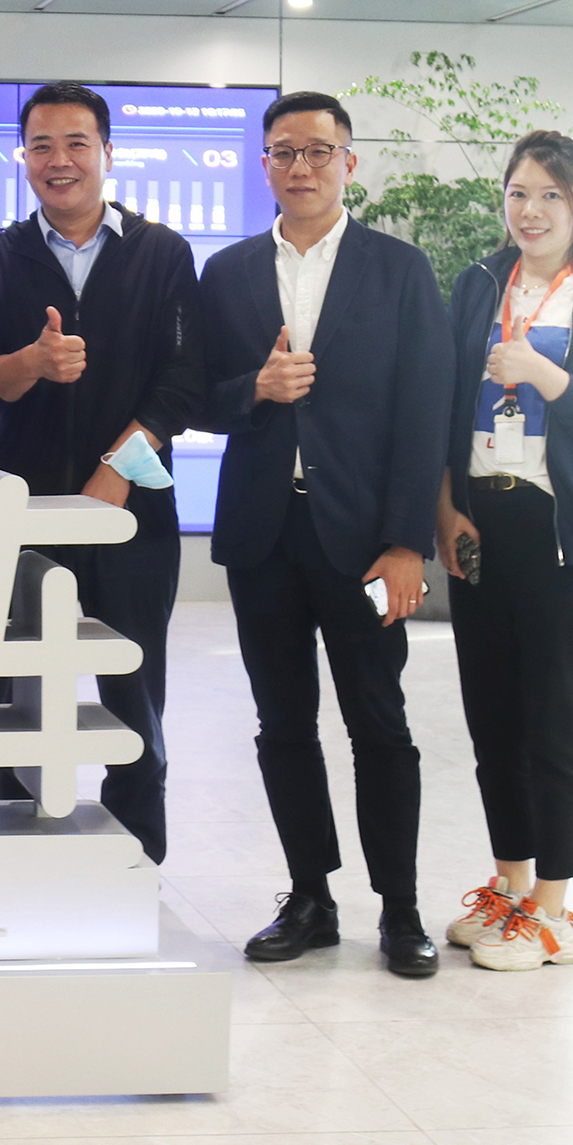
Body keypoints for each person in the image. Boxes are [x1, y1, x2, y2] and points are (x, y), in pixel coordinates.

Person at [198, 89, 450, 979]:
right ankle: (309, 896)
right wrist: (254, 390)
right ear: (262, 163)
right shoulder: (227, 271)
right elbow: (196, 394)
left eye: (316, 151)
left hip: (368, 542)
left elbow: (424, 410)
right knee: (282, 723)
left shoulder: (399, 269)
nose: (299, 166)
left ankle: (401, 908)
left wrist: (406, 543)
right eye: (282, 151)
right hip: (264, 537)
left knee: (380, 723)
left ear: (348, 161)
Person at [0, 81, 203, 863]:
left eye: (75, 143)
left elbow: (181, 382)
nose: (58, 160)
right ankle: (14, 857)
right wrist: (30, 362)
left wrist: (116, 466)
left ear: (106, 152)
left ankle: (134, 861)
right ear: (22, 156)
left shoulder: (161, 252)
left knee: (133, 694)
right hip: (24, 518)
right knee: (20, 696)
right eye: (41, 145)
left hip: (132, 515)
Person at [434, 131, 573, 972]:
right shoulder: (479, 283)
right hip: (481, 520)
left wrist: (540, 372)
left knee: (553, 724)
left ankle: (554, 911)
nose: (530, 210)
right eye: (518, 192)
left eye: (550, 194)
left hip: (563, 535)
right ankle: (511, 887)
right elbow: (447, 400)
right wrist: (445, 509)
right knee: (492, 719)